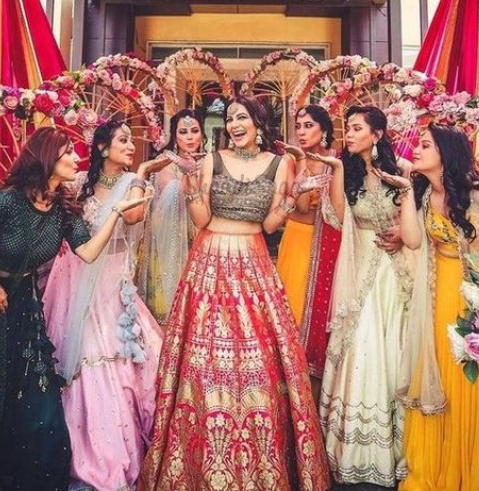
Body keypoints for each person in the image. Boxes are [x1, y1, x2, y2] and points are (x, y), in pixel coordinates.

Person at [139, 95, 330, 490]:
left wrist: (294, 194)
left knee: (258, 360)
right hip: (208, 263)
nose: (234, 124)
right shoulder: (213, 160)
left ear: (259, 123)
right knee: (203, 362)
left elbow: (272, 224)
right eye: (230, 119)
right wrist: (192, 185)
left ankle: (260, 464)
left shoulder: (281, 164)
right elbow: (203, 218)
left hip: (253, 265)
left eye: (242, 117)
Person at [0, 127, 147, 491]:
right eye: (68, 154)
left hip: (25, 307)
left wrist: (116, 213)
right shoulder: (5, 201)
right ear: (47, 158)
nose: (77, 159)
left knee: (39, 404)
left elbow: (89, 252)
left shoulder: (64, 210)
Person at [43, 121, 167, 491]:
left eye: (132, 141)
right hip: (72, 278)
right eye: (123, 140)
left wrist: (142, 173)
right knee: (76, 358)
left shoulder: (134, 183)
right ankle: (75, 447)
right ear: (101, 147)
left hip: (112, 282)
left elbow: (133, 217)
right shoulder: (78, 184)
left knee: (114, 360)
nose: (131, 146)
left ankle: (111, 451)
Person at [388, 124, 479, 491]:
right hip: (436, 298)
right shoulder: (421, 195)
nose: (416, 150)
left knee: (472, 382)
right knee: (441, 379)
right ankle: (437, 468)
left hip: (473, 301)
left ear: (444, 153)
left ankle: (469, 471)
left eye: (424, 144)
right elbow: (414, 241)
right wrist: (404, 194)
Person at [319, 105, 420, 487]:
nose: (349, 134)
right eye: (348, 128)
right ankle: (358, 452)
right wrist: (338, 169)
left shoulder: (405, 172)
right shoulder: (348, 174)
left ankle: (404, 448)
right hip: (362, 274)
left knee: (397, 348)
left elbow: (422, 219)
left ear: (377, 134)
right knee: (364, 347)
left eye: (357, 128)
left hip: (398, 277)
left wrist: (401, 233)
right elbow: (338, 218)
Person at [275, 105, 343, 327]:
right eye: (298, 127)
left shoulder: (337, 160)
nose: (301, 132)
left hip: (328, 239)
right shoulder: (290, 161)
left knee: (320, 302)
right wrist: (302, 160)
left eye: (308, 126)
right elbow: (303, 207)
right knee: (294, 300)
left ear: (323, 130)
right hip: (297, 238)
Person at [138, 109, 205, 323]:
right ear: (174, 136)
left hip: (200, 237)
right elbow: (168, 199)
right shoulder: (165, 161)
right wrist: (189, 175)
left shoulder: (209, 162)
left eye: (194, 131)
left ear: (202, 134)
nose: (190, 136)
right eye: (183, 132)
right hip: (169, 240)